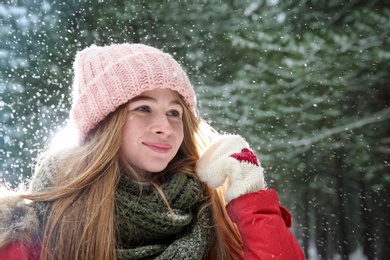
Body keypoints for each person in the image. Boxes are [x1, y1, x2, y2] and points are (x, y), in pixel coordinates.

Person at [0, 43, 305, 260]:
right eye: (143, 108)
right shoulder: (42, 225)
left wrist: (251, 200)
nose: (165, 127)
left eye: (174, 112)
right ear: (103, 124)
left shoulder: (208, 212)